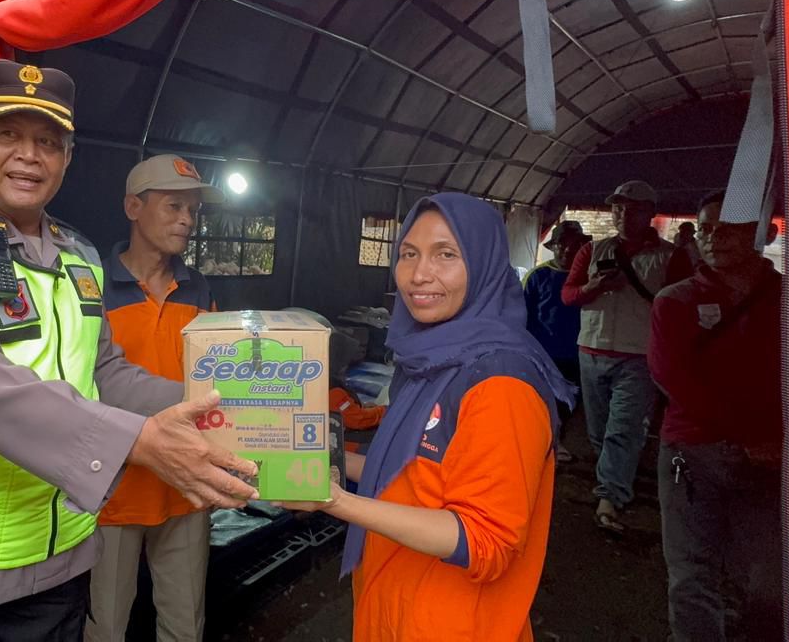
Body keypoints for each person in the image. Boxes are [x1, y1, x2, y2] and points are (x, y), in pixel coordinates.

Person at [0, 60, 257, 642]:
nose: (29, 156)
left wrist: (225, 405)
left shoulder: (80, 258)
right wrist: (140, 442)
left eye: (48, 142)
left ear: (67, 157)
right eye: (8, 133)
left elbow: (105, 370)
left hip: (58, 557)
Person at [281, 193, 571, 641]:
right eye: (409, 254)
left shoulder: (501, 382)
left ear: (485, 265)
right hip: (394, 604)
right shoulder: (431, 359)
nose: (418, 274)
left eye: (446, 255)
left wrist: (333, 500)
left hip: (452, 624)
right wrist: (327, 459)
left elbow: (484, 541)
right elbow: (417, 472)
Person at [87, 154, 224, 642]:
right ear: (133, 207)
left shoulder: (198, 289)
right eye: (173, 206)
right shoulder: (92, 288)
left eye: (193, 210)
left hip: (186, 485)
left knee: (184, 625)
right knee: (105, 627)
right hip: (114, 491)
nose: (187, 220)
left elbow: (216, 377)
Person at [648, 192, 782, 641]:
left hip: (771, 457)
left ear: (764, 233)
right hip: (694, 452)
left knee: (769, 575)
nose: (712, 239)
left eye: (727, 229)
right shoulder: (676, 300)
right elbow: (673, 378)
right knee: (692, 574)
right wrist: (750, 438)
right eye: (705, 229)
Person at [561, 180, 682, 534]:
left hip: (639, 356)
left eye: (633, 209)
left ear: (650, 213)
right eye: (618, 208)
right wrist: (593, 287)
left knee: (623, 429)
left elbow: (680, 307)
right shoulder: (592, 250)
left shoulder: (670, 257)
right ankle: (613, 476)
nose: (623, 215)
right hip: (591, 349)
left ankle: (610, 497)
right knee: (599, 430)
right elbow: (568, 295)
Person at [523, 220, 591, 463]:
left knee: (570, 402)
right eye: (562, 244)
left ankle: (558, 440)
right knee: (543, 400)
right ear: (553, 247)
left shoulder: (589, 277)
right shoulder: (537, 276)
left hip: (578, 352)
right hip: (544, 353)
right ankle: (546, 441)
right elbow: (523, 315)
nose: (567, 250)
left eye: (574, 244)